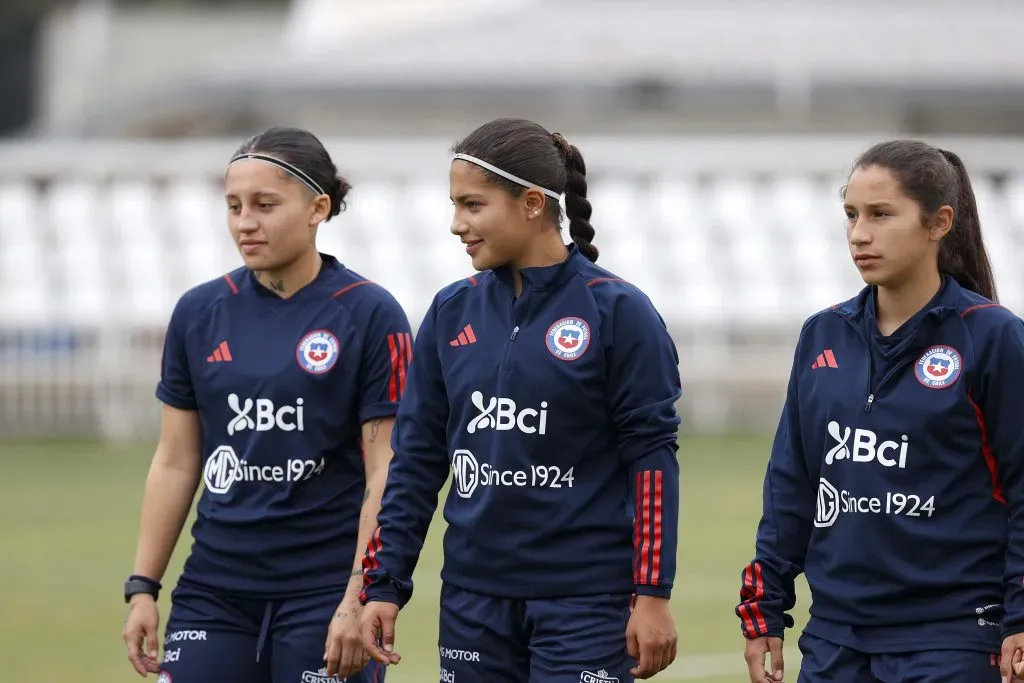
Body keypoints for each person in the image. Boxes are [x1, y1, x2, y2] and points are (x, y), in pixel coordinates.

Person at [356, 117, 682, 682]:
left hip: (586, 601)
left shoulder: (618, 312)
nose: (457, 224)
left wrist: (652, 593)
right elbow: (416, 464)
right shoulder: (451, 311)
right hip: (472, 599)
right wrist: (384, 583)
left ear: (532, 204)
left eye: (472, 205)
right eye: (455, 205)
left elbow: (651, 459)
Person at [121, 126, 413, 683]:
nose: (244, 222)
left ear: (317, 207)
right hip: (214, 591)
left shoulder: (371, 315)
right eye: (233, 206)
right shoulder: (198, 313)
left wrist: (359, 595)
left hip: (325, 594)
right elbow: (177, 460)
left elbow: (386, 473)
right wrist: (143, 586)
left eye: (264, 204)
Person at [735, 139, 1024, 683]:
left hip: (953, 639)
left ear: (939, 223)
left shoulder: (994, 338)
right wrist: (764, 607)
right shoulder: (821, 334)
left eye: (881, 215)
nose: (859, 233)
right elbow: (791, 483)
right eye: (851, 215)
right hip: (835, 640)